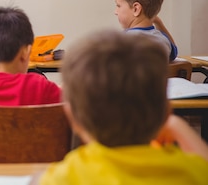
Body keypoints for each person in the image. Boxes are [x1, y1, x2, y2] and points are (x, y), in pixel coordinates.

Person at [33, 29, 208, 185]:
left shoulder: (66, 176)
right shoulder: (190, 171)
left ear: (73, 118)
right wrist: (177, 125)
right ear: (166, 112)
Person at [112, 0, 178, 61]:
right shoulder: (163, 40)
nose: (115, 12)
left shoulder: (121, 42)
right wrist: (159, 23)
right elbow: (174, 53)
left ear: (136, 9)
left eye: (118, 5)